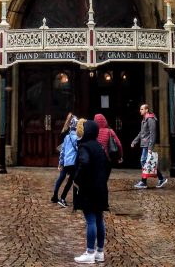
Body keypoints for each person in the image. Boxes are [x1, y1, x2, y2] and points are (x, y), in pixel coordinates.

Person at [73, 119, 109, 264]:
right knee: (99, 219)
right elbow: (108, 165)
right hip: (100, 188)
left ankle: (89, 252)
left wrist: (76, 179)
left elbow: (85, 163)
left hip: (89, 189)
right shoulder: (99, 146)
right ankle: (100, 252)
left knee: (91, 220)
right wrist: (102, 179)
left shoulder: (85, 146)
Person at [131, 102, 167, 189]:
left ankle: (144, 181)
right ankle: (160, 178)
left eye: (142, 109)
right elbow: (141, 133)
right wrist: (134, 141)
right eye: (140, 109)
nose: (140, 110)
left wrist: (150, 148)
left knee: (144, 161)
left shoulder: (150, 120)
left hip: (147, 144)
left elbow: (153, 134)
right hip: (144, 144)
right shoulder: (144, 120)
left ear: (146, 110)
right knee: (148, 163)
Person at [52, 113, 79, 207]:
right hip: (73, 163)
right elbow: (78, 149)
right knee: (70, 181)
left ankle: (55, 194)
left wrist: (60, 163)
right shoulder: (77, 138)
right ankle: (63, 198)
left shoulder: (67, 137)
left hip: (66, 162)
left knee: (61, 178)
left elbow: (62, 152)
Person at [94, 112, 123, 177]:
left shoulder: (94, 131)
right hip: (107, 159)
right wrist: (120, 156)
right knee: (105, 178)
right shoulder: (110, 131)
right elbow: (119, 144)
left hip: (96, 159)